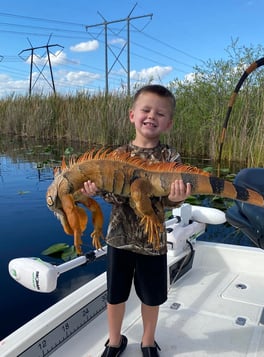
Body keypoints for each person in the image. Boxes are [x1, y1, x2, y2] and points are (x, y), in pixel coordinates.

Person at [81, 84, 191, 357]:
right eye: (146, 109)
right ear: (132, 115)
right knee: (115, 295)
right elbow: (113, 197)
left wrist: (177, 198)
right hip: (119, 239)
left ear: (169, 123)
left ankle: (148, 341)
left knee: (151, 297)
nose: (152, 116)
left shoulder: (171, 158)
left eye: (160, 113)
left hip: (153, 242)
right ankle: (115, 341)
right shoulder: (116, 155)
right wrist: (96, 189)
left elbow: (168, 200)